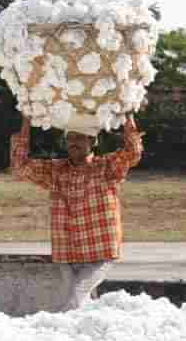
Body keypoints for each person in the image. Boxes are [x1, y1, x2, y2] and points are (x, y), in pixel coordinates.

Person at [10, 114, 144, 310]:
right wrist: (26, 122)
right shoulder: (55, 170)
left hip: (99, 252)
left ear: (92, 141)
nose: (74, 143)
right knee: (80, 302)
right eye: (70, 138)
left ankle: (59, 336)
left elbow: (133, 153)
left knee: (74, 299)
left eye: (80, 138)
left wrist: (127, 115)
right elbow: (20, 167)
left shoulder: (106, 166)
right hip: (67, 254)